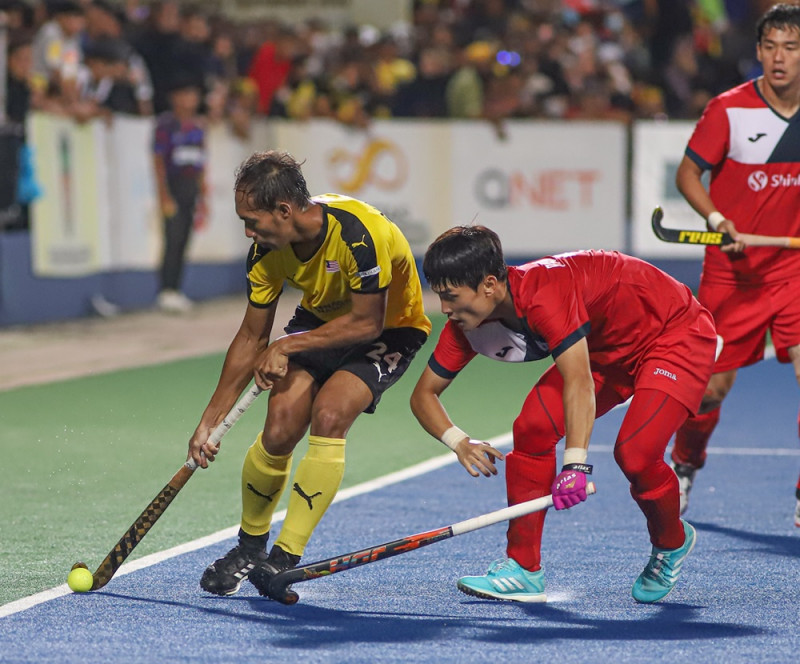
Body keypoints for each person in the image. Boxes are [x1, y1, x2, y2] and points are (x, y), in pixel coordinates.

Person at [410, 226, 717, 603]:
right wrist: (458, 441)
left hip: (672, 333)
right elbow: (423, 395)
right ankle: (522, 569)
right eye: (440, 297)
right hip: (604, 348)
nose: (444, 309)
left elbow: (578, 382)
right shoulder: (466, 324)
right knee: (532, 428)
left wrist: (575, 465)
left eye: (451, 297)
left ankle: (672, 541)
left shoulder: (545, 293)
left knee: (636, 454)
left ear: (489, 284)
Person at [189, 150, 431, 598]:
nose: (248, 232)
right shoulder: (265, 252)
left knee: (331, 413)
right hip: (321, 320)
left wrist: (288, 344)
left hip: (390, 328)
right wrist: (211, 420)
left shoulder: (360, 234)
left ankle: (284, 559)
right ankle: (249, 548)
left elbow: (366, 323)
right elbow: (249, 338)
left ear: (284, 210)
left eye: (251, 220)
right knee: (280, 426)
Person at [670, 3, 800, 527]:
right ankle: (685, 464)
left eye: (790, 47)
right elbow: (687, 175)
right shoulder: (729, 109)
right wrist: (718, 218)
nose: (779, 58)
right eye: (770, 47)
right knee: (708, 391)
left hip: (794, 271)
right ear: (758, 52)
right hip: (734, 273)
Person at [152, 77, 206, 313]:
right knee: (172, 237)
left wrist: (203, 194)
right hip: (173, 187)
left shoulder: (197, 127)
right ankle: (166, 289)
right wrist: (163, 194)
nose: (189, 100)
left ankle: (177, 289)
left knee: (184, 237)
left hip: (190, 187)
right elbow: (158, 160)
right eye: (184, 95)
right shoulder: (165, 125)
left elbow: (202, 163)